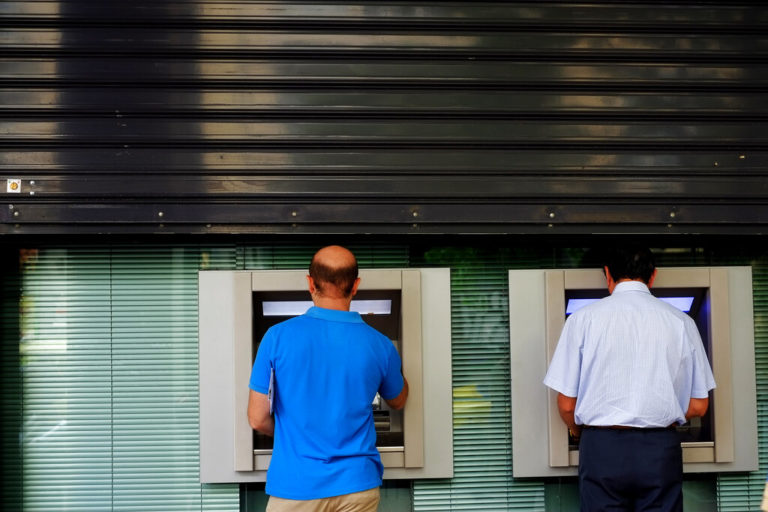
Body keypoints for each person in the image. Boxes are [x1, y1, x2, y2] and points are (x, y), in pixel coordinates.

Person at [543, 245, 715, 512]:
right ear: (653, 276)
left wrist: (582, 434)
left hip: (601, 448)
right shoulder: (681, 322)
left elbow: (566, 404)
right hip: (660, 449)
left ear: (607, 274)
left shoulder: (582, 319)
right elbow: (699, 406)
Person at [247, 245, 409, 512]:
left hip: (296, 487)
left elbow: (257, 418)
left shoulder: (277, 337)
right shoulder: (381, 345)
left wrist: (293, 433)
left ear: (311, 283)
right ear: (355, 286)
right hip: (357, 486)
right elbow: (398, 400)